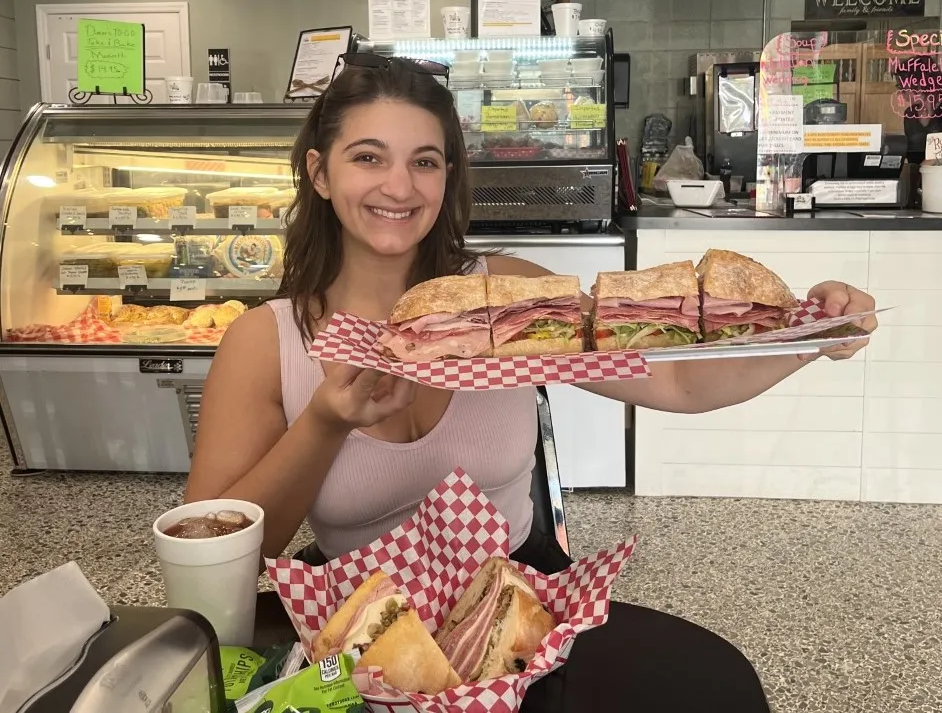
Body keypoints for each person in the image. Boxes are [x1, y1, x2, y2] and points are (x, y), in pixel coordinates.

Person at [184, 56, 877, 576]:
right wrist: (327, 421)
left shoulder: (515, 296)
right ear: (320, 172)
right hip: (357, 625)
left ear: (448, 177)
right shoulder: (264, 341)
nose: (400, 186)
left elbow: (677, 384)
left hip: (524, 604)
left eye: (426, 162)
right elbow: (214, 556)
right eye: (369, 158)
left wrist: (810, 336)